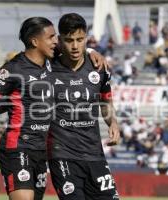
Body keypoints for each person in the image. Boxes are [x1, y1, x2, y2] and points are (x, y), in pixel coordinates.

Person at [0, 16, 108, 200]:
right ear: (35, 41)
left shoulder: (52, 63)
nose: (56, 41)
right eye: (52, 37)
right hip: (17, 147)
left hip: (41, 151)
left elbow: (76, 45)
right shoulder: (13, 69)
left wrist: (93, 51)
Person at [47, 13, 120, 199]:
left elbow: (105, 103)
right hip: (62, 155)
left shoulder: (99, 68)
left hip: (94, 153)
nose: (74, 46)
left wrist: (113, 123)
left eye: (80, 40)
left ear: (86, 38)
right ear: (59, 40)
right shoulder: (46, 67)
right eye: (69, 40)